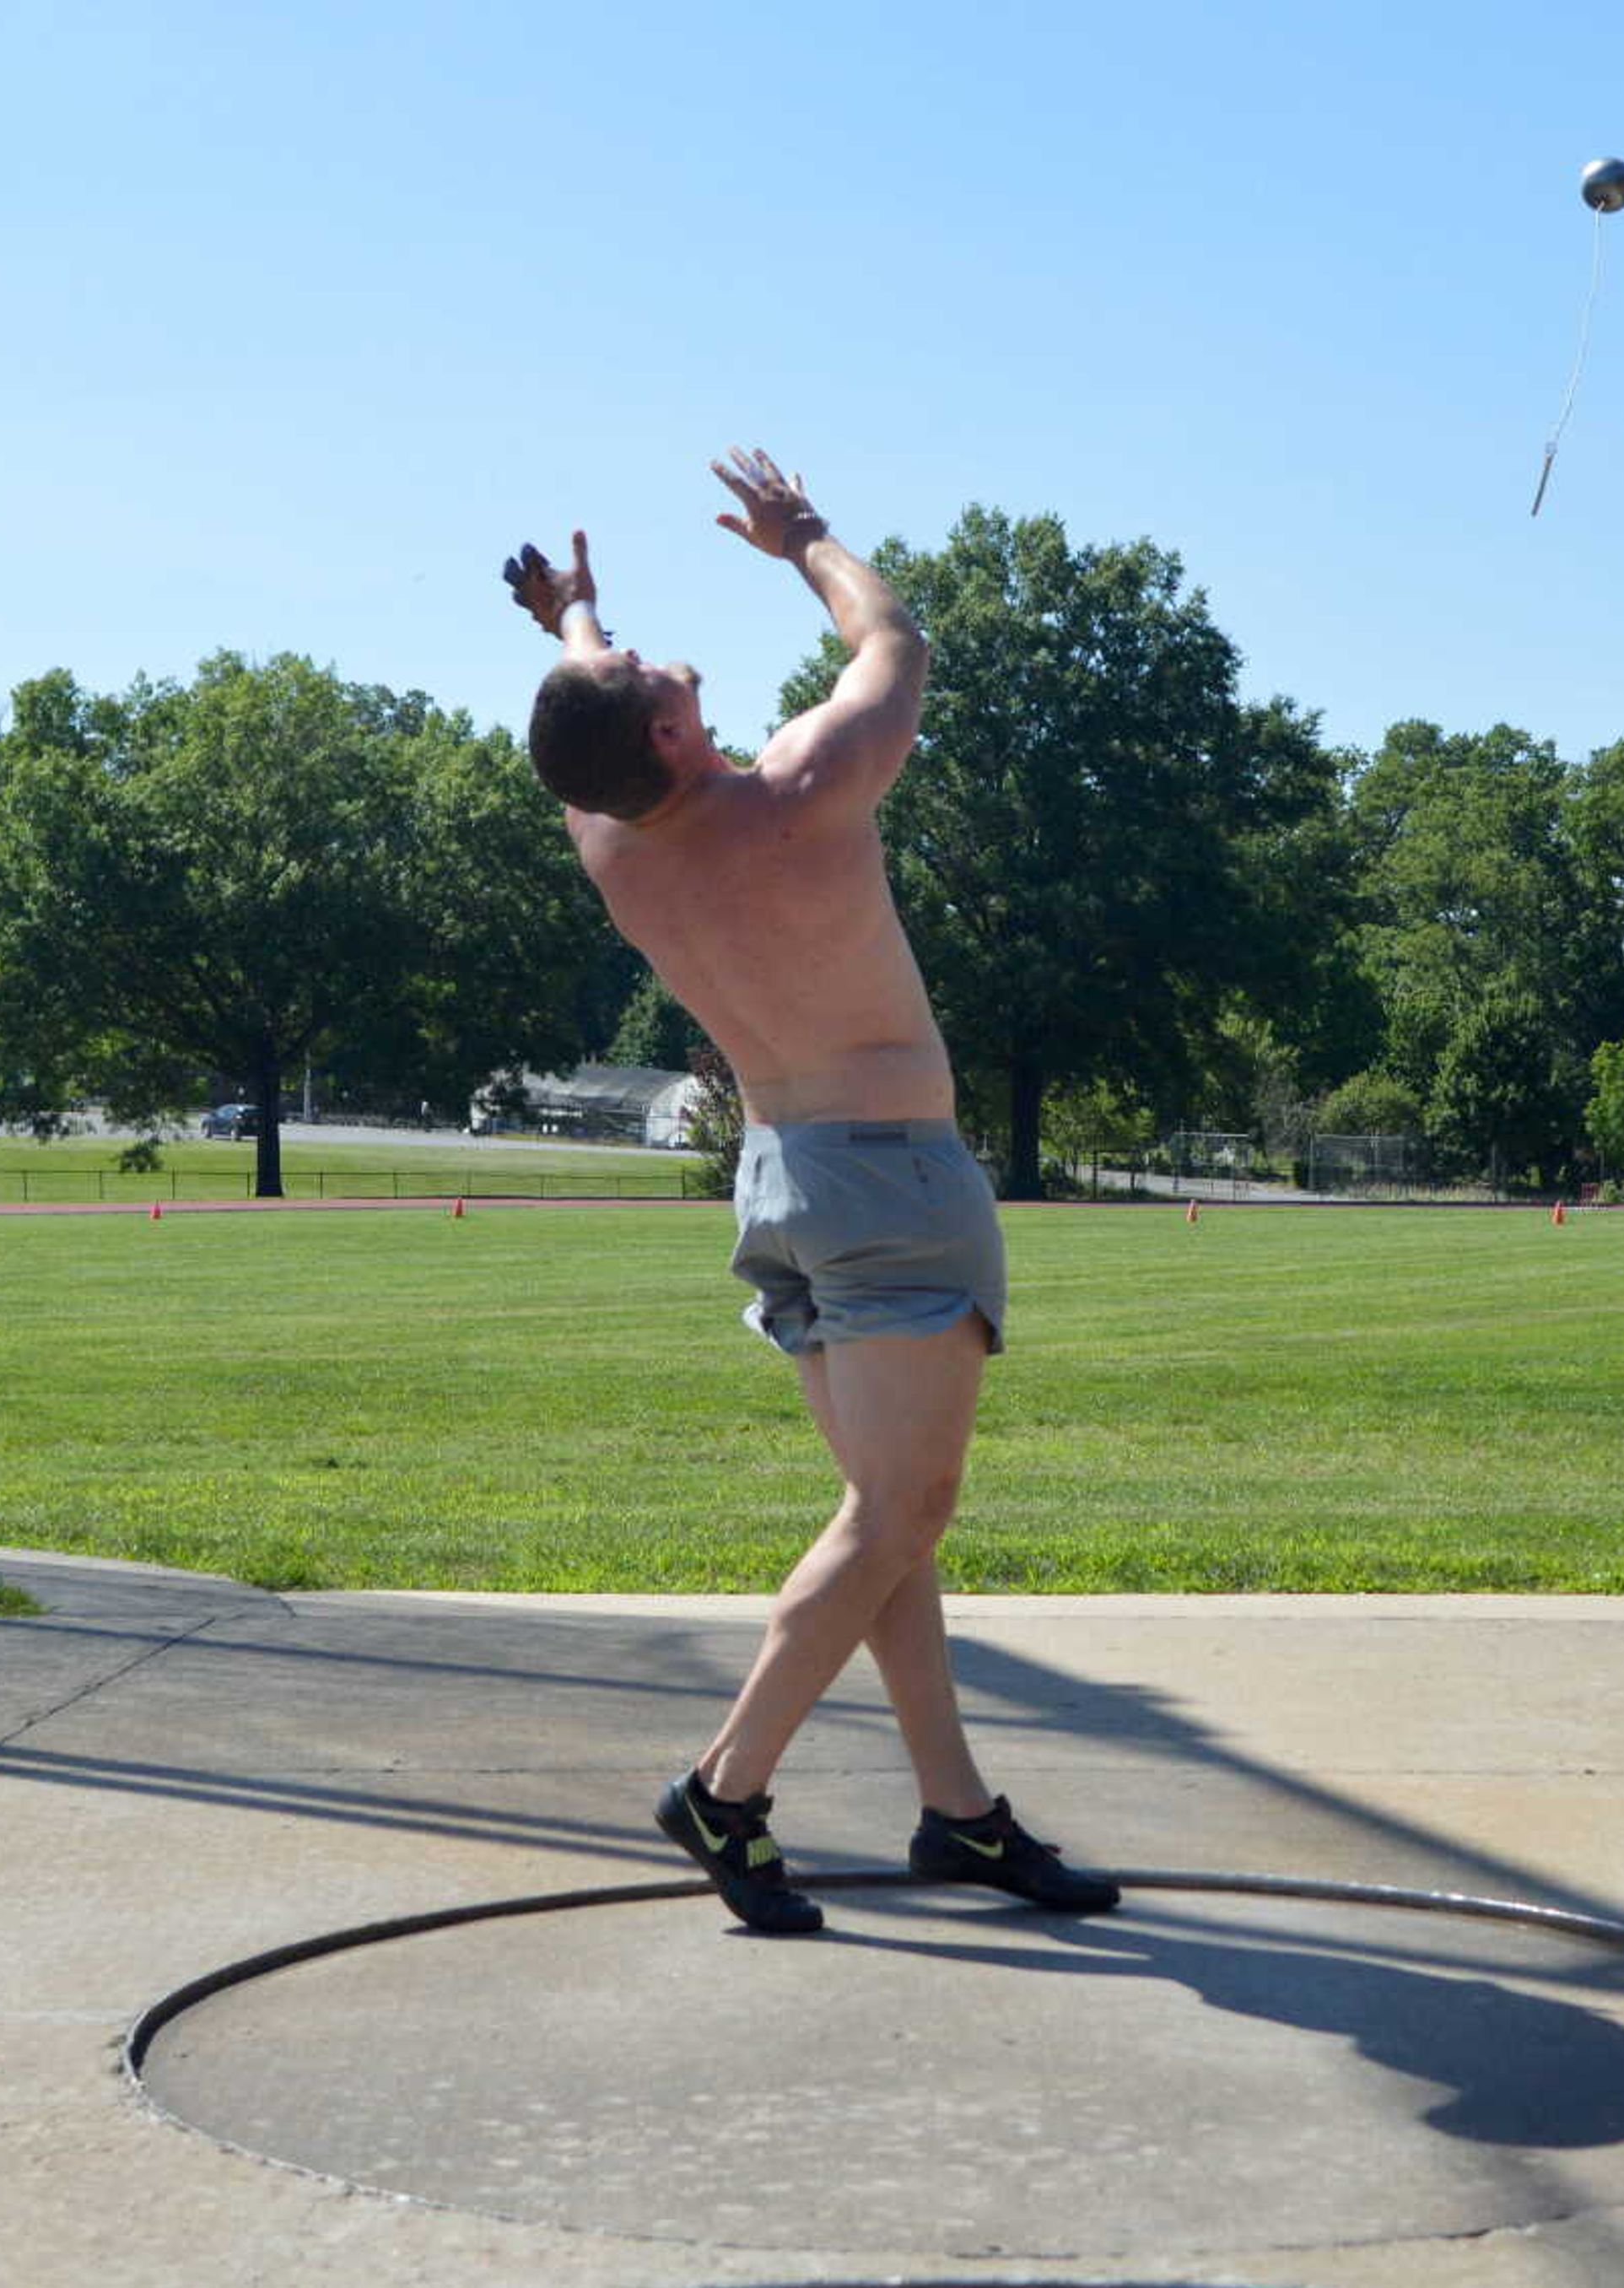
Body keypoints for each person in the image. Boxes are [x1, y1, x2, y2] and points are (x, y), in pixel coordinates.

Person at [501, 448, 1120, 1936]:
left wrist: (573, 624)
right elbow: (895, 647)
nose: (646, 653)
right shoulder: (797, 790)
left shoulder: (609, 836)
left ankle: (958, 1818)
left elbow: (597, 713)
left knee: (882, 1520)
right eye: (643, 666)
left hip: (775, 1177)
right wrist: (809, 540)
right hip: (891, 1180)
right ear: (669, 729)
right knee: (906, 1508)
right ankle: (727, 1788)